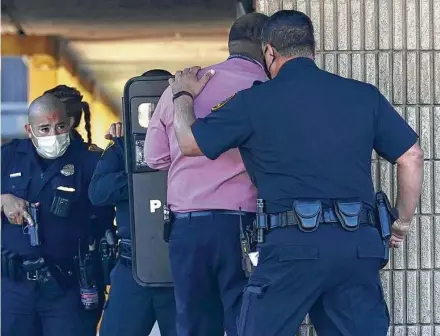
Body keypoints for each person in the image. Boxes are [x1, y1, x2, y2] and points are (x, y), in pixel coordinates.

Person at [167, 9, 424, 336]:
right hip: (357, 248)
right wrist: (400, 222)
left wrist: (182, 94)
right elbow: (411, 156)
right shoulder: (363, 95)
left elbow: (189, 142)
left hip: (291, 249)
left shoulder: (253, 102)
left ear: (270, 52)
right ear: (312, 49)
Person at [144, 12, 269, 336]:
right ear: (268, 48)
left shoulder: (182, 87)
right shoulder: (268, 89)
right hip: (243, 227)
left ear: (230, 45)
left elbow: (154, 157)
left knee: (195, 324)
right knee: (246, 319)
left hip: (187, 228)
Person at [1, 94, 115, 336]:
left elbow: (109, 219)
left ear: (70, 123)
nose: (54, 134)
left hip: (68, 287)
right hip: (15, 288)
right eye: (44, 128)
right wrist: (2, 200)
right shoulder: (8, 157)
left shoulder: (91, 161)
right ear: (29, 130)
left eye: (60, 126)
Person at [89, 69, 177, 336]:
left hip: (179, 266)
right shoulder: (124, 145)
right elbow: (98, 192)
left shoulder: (189, 140)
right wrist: (142, 181)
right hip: (132, 264)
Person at [44, 84, 112, 333]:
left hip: (80, 272)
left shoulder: (91, 160)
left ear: (68, 121)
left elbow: (105, 216)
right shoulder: (24, 157)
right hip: (35, 282)